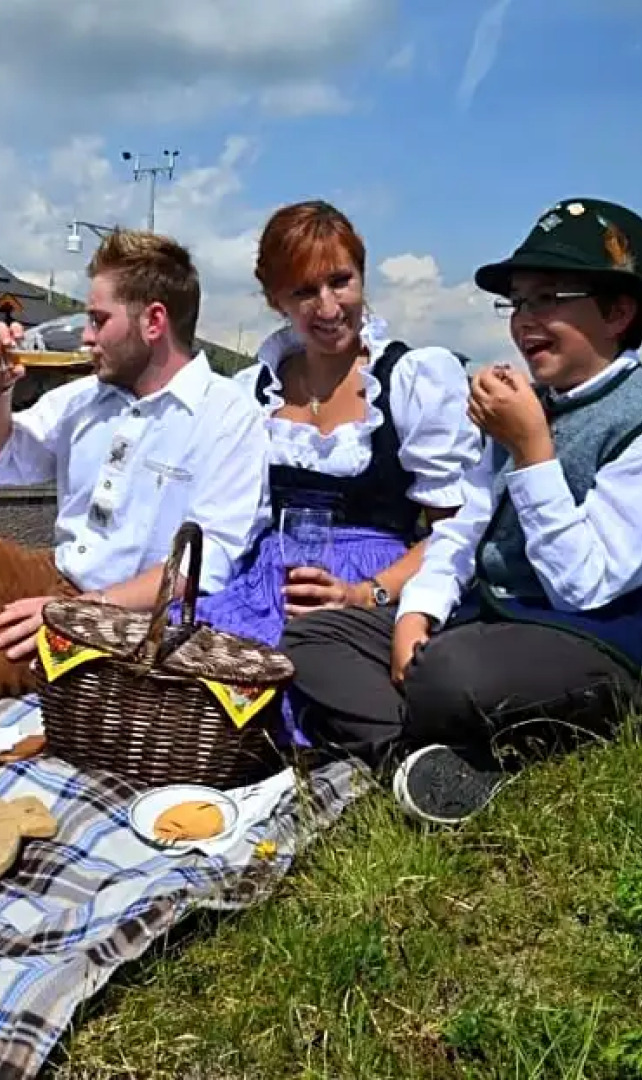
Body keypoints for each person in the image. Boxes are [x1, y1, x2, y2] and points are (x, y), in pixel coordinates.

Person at [281, 197, 642, 825]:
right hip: (502, 619)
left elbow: (584, 587)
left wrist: (532, 448)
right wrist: (415, 613)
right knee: (313, 635)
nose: (526, 321)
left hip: (618, 647)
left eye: (550, 297)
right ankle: (419, 768)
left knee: (449, 674)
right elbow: (462, 530)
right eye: (519, 302)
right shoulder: (526, 400)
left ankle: (424, 743)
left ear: (619, 310)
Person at [0, 229, 271, 713]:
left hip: (128, 616)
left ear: (154, 321)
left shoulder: (228, 417)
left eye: (98, 321)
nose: (86, 336)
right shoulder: (85, 398)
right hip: (55, 572)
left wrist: (76, 614)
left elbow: (202, 567)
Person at [185, 201, 480, 747]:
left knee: (302, 686)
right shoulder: (251, 391)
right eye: (303, 292)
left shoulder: (411, 379)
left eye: (340, 281)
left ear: (362, 276)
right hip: (269, 578)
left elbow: (452, 529)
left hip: (379, 580)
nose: (327, 306)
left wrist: (364, 594)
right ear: (276, 300)